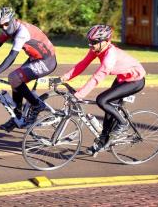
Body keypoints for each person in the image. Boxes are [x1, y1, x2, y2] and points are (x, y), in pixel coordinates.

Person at [60, 24, 146, 156]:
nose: (91, 45)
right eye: (89, 41)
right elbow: (82, 64)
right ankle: (103, 141)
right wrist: (64, 78)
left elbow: (98, 77)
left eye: (94, 42)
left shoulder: (110, 55)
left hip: (135, 81)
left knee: (102, 100)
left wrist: (79, 95)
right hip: (122, 79)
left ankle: (123, 124)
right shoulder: (97, 49)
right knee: (108, 108)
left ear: (105, 41)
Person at [0, 7, 57, 132]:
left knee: (14, 77)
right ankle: (18, 117)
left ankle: (37, 105)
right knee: (15, 80)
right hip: (36, 58)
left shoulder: (21, 32)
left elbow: (11, 57)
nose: (4, 28)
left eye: (6, 24)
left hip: (47, 61)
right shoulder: (11, 28)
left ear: (13, 20)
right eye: (1, 26)